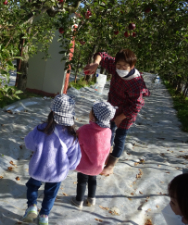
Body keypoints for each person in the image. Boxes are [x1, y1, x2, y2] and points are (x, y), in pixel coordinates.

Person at [84, 49, 150, 175]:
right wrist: (96, 63)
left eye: (125, 66)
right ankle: (105, 155)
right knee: (107, 131)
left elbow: (137, 104)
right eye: (118, 65)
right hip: (112, 107)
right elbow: (101, 54)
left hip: (127, 113)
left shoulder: (136, 83)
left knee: (120, 137)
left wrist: (121, 117)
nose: (121, 68)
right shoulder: (115, 67)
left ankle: (111, 165)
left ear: (132, 66)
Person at [22, 94, 82, 225]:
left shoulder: (41, 129)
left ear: (52, 111)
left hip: (38, 168)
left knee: (32, 186)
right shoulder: (72, 136)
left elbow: (29, 143)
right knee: (50, 195)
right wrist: (68, 166)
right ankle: (44, 216)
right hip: (57, 173)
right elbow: (74, 161)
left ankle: (32, 206)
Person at [71, 101, 116, 208]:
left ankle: (79, 201)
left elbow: (77, 140)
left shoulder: (85, 129)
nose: (89, 112)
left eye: (91, 111)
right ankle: (91, 199)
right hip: (98, 165)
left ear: (94, 115)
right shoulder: (108, 131)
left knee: (82, 181)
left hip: (84, 164)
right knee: (93, 180)